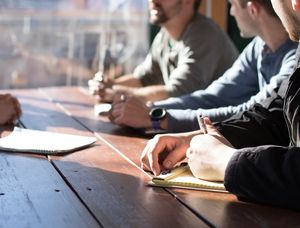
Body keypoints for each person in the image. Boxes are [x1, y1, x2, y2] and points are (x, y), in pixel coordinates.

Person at [140, 0, 300, 211]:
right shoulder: (266, 49)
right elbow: (273, 115)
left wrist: (227, 161)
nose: (231, 12)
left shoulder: (203, 33)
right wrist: (198, 139)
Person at [109, 0, 298, 133]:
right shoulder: (260, 46)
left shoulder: (294, 60)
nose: (231, 12)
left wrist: (156, 117)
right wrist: (151, 107)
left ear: (253, 9)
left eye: (231, 4)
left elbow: (250, 114)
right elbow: (214, 97)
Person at [89, 0, 238, 102]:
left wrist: (116, 93)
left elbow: (177, 93)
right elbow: (143, 79)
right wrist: (109, 84)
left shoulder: (204, 33)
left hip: (224, 132)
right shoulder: (165, 34)